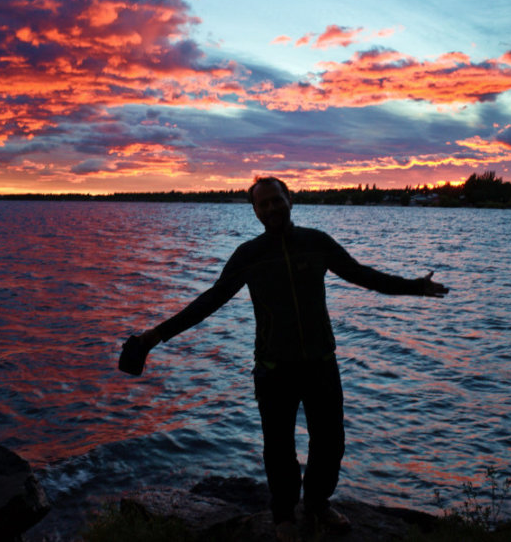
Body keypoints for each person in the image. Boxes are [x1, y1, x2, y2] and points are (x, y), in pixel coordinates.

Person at [122, 177, 448, 541]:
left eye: (277, 200)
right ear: (256, 211)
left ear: (289, 200)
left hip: (321, 363)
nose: (272, 208)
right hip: (273, 369)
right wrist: (154, 337)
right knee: (279, 449)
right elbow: (208, 302)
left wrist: (415, 286)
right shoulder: (249, 255)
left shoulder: (316, 243)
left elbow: (363, 276)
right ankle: (283, 516)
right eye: (264, 204)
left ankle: (317, 504)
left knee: (331, 443)